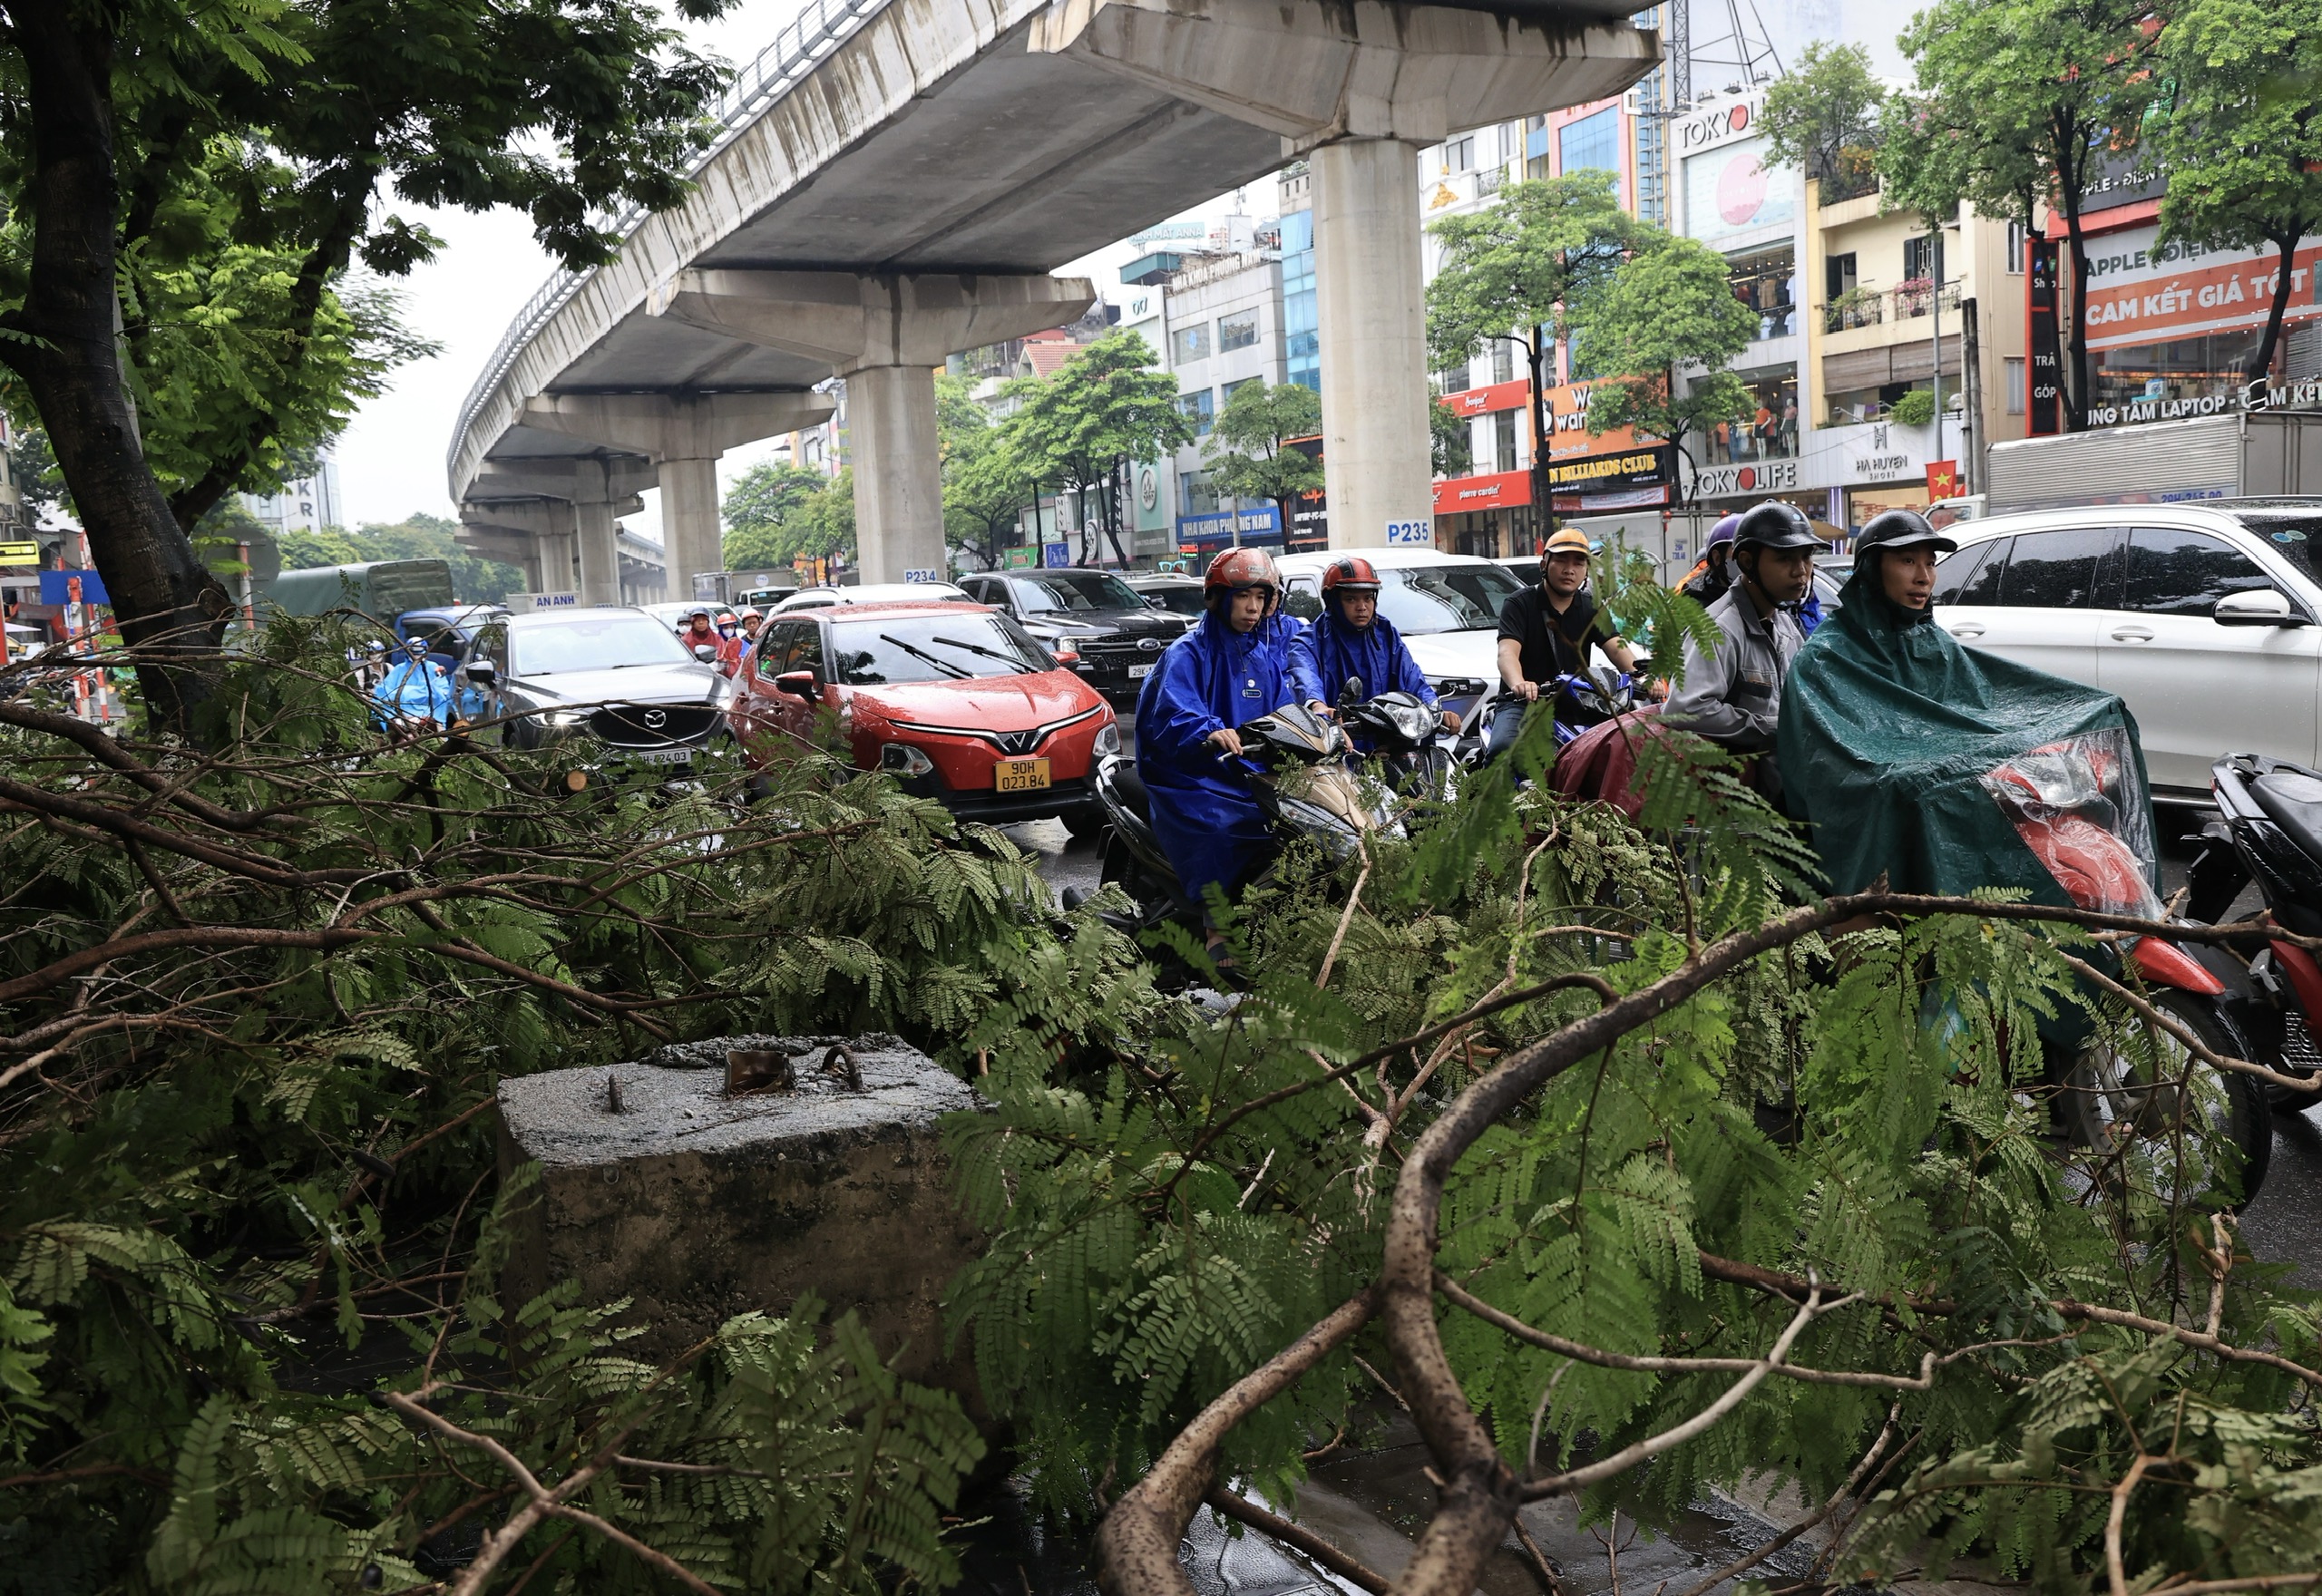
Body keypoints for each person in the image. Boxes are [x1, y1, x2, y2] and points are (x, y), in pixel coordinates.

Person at [1135, 548, 1297, 953]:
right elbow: (1175, 711)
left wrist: (1322, 731)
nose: (1253, 607)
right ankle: (1217, 928)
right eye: (1243, 596)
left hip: (1252, 772)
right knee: (1222, 825)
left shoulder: (1262, 656)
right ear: (1219, 598)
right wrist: (1210, 732)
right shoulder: (1186, 653)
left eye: (1260, 598)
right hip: (1194, 774)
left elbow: (1286, 709)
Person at [1664, 501, 1818, 799]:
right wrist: (1773, 728)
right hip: (1737, 802)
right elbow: (1685, 709)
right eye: (1785, 558)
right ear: (1747, 562)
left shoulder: (1784, 623)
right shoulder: (1719, 629)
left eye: (1807, 557)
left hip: (1786, 787)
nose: (1801, 571)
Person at [1488, 527, 1637, 760]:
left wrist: (1644, 677)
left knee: (1625, 746)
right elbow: (1507, 653)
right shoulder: (1519, 604)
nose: (1570, 570)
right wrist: (1520, 683)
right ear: (1544, 564)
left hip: (1580, 703)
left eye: (1579, 563)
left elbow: (1618, 648)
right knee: (1502, 751)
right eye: (1561, 561)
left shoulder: (1592, 607)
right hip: (1523, 704)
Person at [1287, 556, 1459, 745]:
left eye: (1368, 598)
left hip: (1389, 742)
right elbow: (1306, 678)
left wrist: (1435, 709)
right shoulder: (1309, 640)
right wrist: (1319, 708)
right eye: (1351, 599)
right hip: (1337, 744)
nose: (1362, 607)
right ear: (1333, 601)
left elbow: (1411, 677)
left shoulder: (1385, 632)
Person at [373, 635, 457, 730]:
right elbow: (383, 693)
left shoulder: (434, 668)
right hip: (399, 713)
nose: (416, 657)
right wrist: (417, 692)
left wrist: (409, 692)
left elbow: (443, 694)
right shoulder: (399, 669)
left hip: (427, 713)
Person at [1680, 514, 1742, 607]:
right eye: (1739, 551)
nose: (1750, 561)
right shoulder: (1696, 606)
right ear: (1717, 558)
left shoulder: (1763, 599)